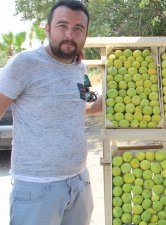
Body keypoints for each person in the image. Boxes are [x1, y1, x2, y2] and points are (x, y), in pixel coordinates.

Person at [0, 1, 102, 224]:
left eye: (78, 28)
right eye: (62, 25)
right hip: (37, 190)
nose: (69, 34)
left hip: (79, 185)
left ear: (85, 34)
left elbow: (81, 106)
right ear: (47, 29)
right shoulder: (24, 63)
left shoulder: (79, 68)